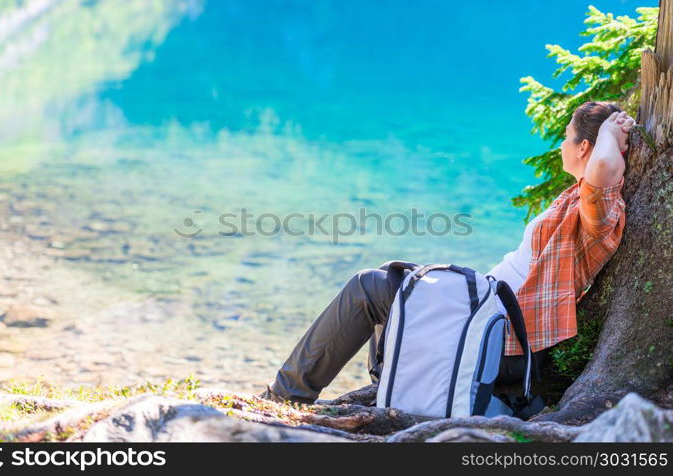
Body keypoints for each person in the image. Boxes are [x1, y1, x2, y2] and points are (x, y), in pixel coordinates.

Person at [261, 101, 632, 404]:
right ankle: (389, 388)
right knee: (392, 282)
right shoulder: (574, 197)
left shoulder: (597, 213)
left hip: (499, 335)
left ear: (585, 146)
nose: (561, 145)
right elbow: (598, 169)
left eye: (567, 137)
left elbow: (603, 170)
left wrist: (611, 134)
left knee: (369, 288)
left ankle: (287, 394)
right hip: (485, 314)